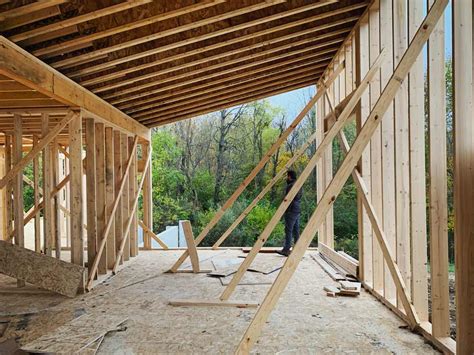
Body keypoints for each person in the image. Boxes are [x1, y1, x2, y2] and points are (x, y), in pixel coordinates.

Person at [277, 170, 302, 257]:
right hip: (297, 209)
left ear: (290, 176)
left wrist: (285, 210)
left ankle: (286, 249)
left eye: (287, 176)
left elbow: (288, 199)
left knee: (288, 230)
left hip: (291, 210)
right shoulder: (298, 184)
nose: (286, 178)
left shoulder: (291, 185)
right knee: (295, 230)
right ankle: (298, 249)